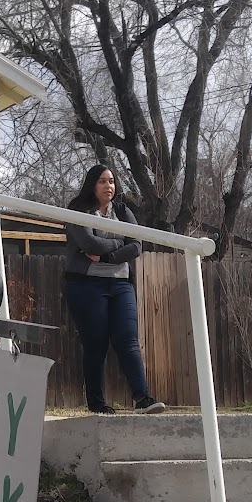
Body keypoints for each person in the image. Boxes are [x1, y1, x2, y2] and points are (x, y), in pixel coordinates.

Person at [63, 164, 166, 415]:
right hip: (85, 284)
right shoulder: (79, 210)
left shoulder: (122, 210)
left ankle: (142, 399)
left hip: (120, 284)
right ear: (92, 185)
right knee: (96, 343)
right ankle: (97, 404)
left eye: (111, 181)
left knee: (127, 339)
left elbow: (136, 245)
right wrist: (120, 242)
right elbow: (88, 242)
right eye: (102, 181)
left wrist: (109, 256)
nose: (108, 186)